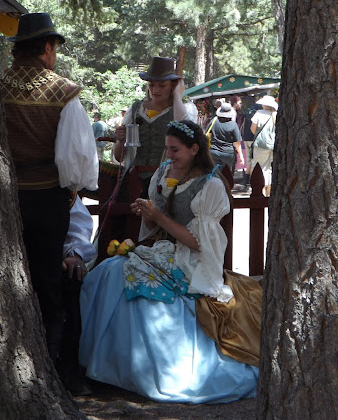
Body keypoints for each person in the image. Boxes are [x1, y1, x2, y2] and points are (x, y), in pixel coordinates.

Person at [79, 120, 261, 404]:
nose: (170, 155)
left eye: (175, 150)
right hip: (166, 249)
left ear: (194, 149)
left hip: (192, 260)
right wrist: (149, 213)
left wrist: (160, 217)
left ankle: (132, 370)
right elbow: (158, 226)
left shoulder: (211, 184)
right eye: (167, 149)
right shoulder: (164, 172)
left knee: (128, 279)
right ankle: (108, 365)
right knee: (108, 270)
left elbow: (198, 242)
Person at [0, 12, 98, 364]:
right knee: (46, 278)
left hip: (1, 198)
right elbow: (77, 161)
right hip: (46, 201)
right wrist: (75, 189)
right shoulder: (65, 93)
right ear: (46, 47)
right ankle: (50, 362)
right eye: (54, 47)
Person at [113, 56, 197, 197]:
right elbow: (118, 157)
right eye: (151, 85)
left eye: (162, 85)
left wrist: (177, 96)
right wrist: (120, 140)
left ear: (173, 85)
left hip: (169, 183)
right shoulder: (135, 109)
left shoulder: (184, 109)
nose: (155, 90)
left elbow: (187, 134)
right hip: (134, 182)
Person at [58, 195, 96, 396]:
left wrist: (73, 254)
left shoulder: (60, 184)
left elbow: (78, 225)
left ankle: (69, 369)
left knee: (72, 277)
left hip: (51, 256)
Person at [250, 95, 278, 197]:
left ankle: (259, 192)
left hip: (260, 144)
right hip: (273, 144)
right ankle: (269, 193)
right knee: (269, 169)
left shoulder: (259, 113)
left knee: (258, 167)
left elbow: (253, 129)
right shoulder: (276, 114)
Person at [209, 102, 245, 171]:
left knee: (215, 173)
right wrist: (241, 156)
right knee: (227, 175)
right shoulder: (233, 125)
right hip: (228, 153)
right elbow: (237, 143)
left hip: (214, 152)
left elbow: (208, 136)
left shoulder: (214, 121)